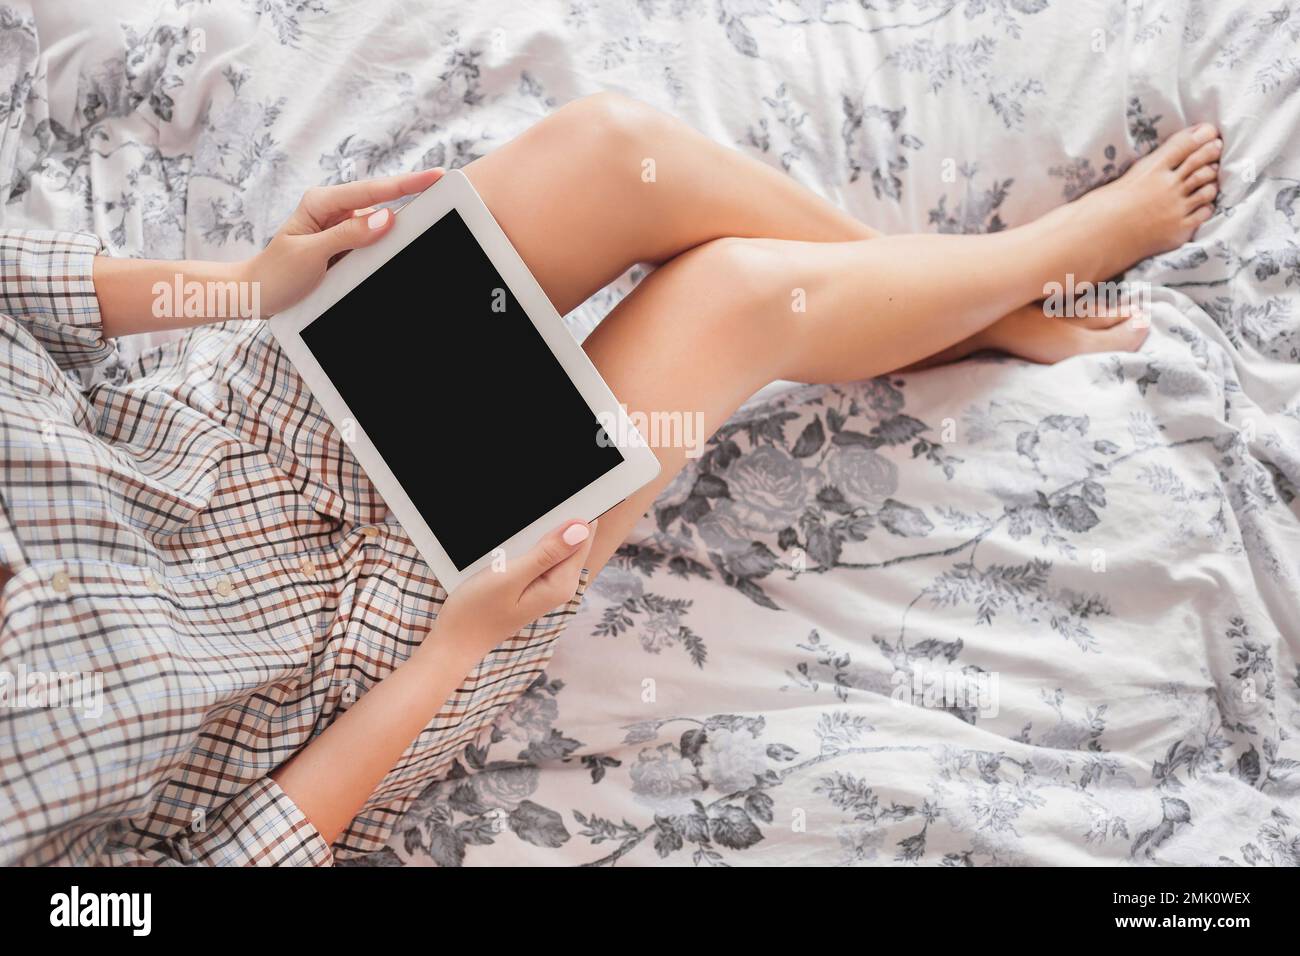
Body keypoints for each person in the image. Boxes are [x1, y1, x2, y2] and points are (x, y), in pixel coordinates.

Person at [0, 93, 1221, 864]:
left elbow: (22, 285)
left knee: (620, 154)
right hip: (380, 629)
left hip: (267, 415)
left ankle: (976, 297)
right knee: (739, 295)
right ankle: (1038, 270)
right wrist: (453, 648)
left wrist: (250, 284)